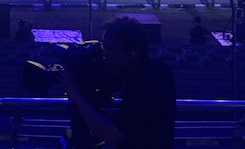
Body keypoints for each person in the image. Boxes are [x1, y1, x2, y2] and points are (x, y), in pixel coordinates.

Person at [56, 17, 176, 149]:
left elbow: (114, 137)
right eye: (103, 46)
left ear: (132, 54)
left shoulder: (147, 88)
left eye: (109, 48)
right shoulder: (155, 68)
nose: (104, 54)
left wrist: (75, 94)